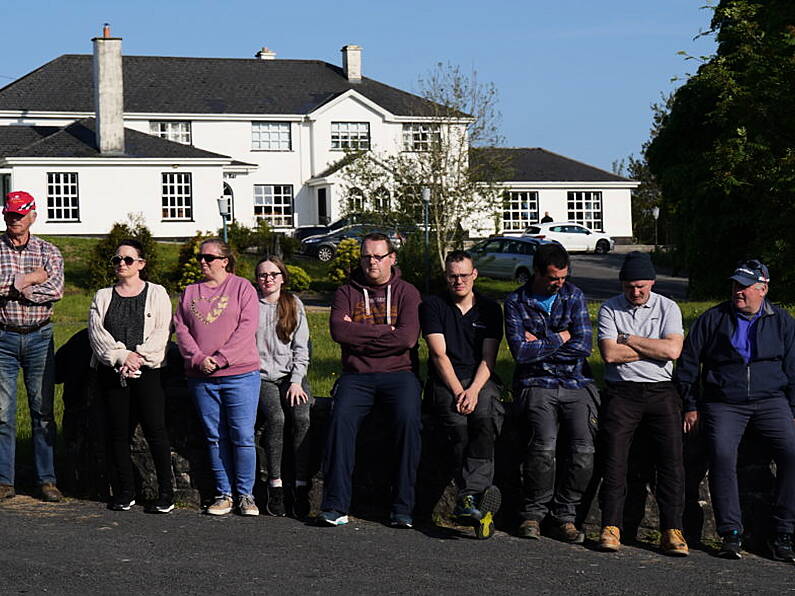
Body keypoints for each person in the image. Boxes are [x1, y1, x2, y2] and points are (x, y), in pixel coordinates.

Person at [677, 260, 795, 562]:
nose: (738, 292)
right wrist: (691, 405)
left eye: (744, 287)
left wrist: (792, 407)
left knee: (791, 452)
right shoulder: (713, 318)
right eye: (735, 286)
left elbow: (793, 368)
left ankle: (783, 533)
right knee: (722, 453)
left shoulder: (781, 321)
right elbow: (688, 363)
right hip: (723, 400)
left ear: (763, 289)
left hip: (771, 399)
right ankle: (730, 532)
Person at [318, 232, 422, 528]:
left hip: (399, 375)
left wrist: (360, 333)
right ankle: (335, 505)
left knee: (409, 422)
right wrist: (387, 331)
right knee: (340, 422)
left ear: (392, 258)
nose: (371, 262)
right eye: (366, 256)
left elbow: (408, 338)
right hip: (357, 376)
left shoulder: (407, 292)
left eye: (378, 256)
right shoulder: (345, 292)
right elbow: (339, 332)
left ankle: (403, 508)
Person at [596, 251, 687, 555]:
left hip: (662, 391)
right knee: (614, 459)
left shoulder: (668, 307)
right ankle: (611, 526)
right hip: (622, 391)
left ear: (652, 282)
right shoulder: (609, 308)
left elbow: (674, 350)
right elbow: (609, 355)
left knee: (671, 461)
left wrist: (628, 339)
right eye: (629, 287)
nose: (635, 293)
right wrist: (654, 348)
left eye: (641, 287)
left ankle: (672, 529)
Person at [504, 242, 595, 543]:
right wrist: (561, 336)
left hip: (575, 381)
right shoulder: (516, 301)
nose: (560, 283)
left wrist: (541, 342)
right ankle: (533, 514)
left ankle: (565, 516)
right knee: (544, 446)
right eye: (553, 278)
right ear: (537, 273)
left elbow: (584, 346)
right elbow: (520, 353)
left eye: (563, 276)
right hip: (536, 382)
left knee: (583, 449)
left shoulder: (574, 295)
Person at [419, 250, 503, 537]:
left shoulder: (490, 309)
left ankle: (470, 496)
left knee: (485, 416)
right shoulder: (432, 306)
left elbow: (488, 358)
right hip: (446, 380)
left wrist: (474, 390)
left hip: (479, 377)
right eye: (453, 276)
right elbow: (438, 355)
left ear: (474, 275)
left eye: (464, 275)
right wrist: (459, 391)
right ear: (446, 277)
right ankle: (475, 496)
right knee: (456, 422)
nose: (459, 281)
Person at [173, 239, 260, 516]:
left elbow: (247, 327)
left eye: (209, 257)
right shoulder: (189, 292)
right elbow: (181, 329)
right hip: (202, 377)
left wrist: (222, 359)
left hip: (240, 374)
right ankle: (224, 494)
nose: (203, 261)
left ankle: (246, 495)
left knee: (243, 436)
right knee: (214, 437)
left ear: (225, 260)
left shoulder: (242, 288)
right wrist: (199, 360)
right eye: (200, 257)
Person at [87, 239, 175, 513]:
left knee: (156, 431)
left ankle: (166, 493)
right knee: (118, 433)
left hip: (148, 372)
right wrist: (121, 357)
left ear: (141, 264)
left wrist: (137, 356)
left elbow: (163, 330)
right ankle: (126, 490)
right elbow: (97, 334)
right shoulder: (102, 296)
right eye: (117, 260)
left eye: (127, 259)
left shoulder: (157, 293)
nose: (121, 264)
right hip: (113, 372)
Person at [0, 191, 64, 502]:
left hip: (40, 336)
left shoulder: (49, 251)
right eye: (10, 214)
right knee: (2, 413)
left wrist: (14, 286)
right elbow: (42, 284)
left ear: (33, 216)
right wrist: (28, 280)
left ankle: (46, 480)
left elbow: (56, 290)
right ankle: (4, 481)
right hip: (4, 337)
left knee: (43, 411)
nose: (15, 220)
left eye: (20, 215)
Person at [254, 256, 312, 518]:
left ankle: (301, 485)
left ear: (283, 277)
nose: (268, 279)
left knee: (301, 416)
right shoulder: (251, 305)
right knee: (275, 418)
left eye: (274, 274)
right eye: (263, 275)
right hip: (262, 376)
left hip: (291, 376)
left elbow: (302, 348)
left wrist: (297, 380)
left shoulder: (293, 304)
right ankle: (275, 485)